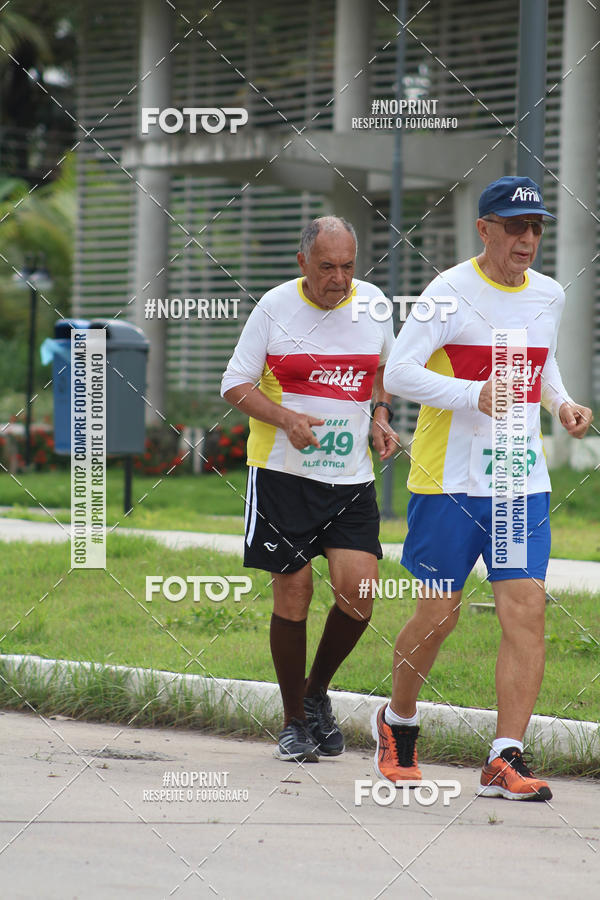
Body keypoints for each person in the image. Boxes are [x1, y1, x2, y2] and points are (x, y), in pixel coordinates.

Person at [377, 175, 593, 800]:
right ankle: (398, 722)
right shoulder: (448, 292)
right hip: (448, 481)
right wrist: (473, 393)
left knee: (525, 610)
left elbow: (541, 362)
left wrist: (562, 403)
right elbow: (399, 372)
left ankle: (505, 756)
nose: (527, 239)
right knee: (438, 614)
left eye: (536, 228)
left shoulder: (548, 294)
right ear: (485, 229)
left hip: (518, 481)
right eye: (515, 227)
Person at [221, 215, 398, 762]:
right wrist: (284, 417)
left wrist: (380, 414)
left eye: (348, 266)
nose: (339, 279)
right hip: (282, 477)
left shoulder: (373, 305)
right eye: (327, 268)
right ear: (303, 263)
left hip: (349, 480)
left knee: (360, 594)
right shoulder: (274, 308)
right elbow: (234, 383)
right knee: (294, 595)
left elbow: (385, 368)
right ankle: (294, 722)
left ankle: (317, 692)